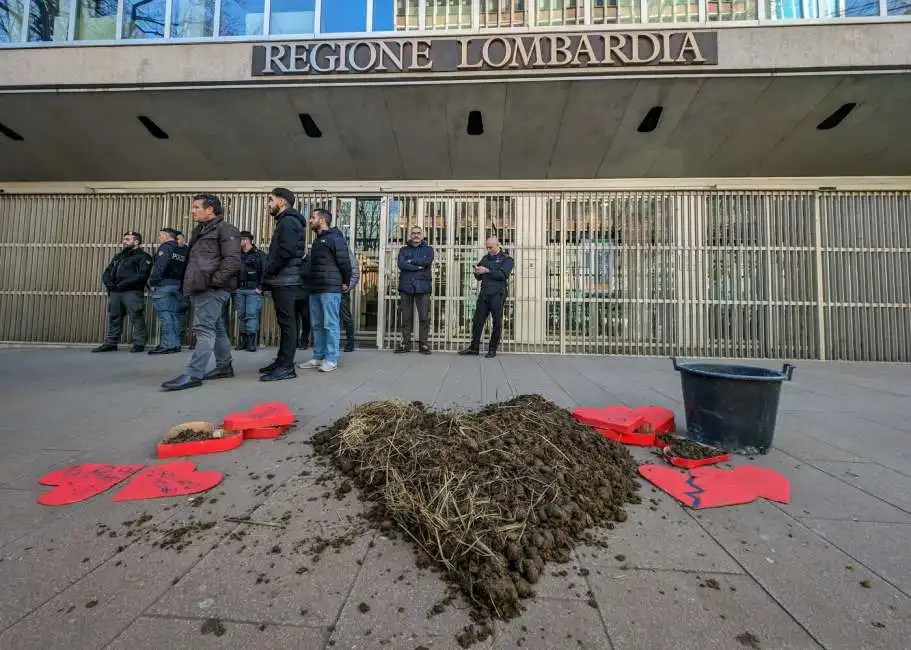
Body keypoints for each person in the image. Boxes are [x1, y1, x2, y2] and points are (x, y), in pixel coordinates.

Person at [161, 194, 241, 391]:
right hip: (201, 286)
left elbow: (232, 261)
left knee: (203, 329)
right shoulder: (201, 230)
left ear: (210, 209)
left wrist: (213, 282)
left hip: (211, 288)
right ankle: (224, 366)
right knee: (217, 327)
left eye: (197, 207)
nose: (192, 210)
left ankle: (194, 373)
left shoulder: (225, 229)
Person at [259, 188, 308, 382]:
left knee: (288, 324)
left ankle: (286, 366)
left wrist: (269, 271)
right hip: (285, 279)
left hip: (285, 280)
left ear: (282, 202)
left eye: (271, 200)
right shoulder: (288, 221)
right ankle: (281, 361)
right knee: (286, 323)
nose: (268, 204)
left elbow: (285, 252)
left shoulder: (288, 222)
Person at [299, 209, 351, 373]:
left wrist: (345, 281)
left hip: (330, 288)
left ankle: (331, 358)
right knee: (317, 324)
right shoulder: (317, 241)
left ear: (322, 219)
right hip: (315, 289)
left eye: (313, 217)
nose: (310, 221)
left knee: (330, 324)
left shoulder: (335, 238)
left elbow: (345, 262)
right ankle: (318, 356)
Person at [92, 231, 153, 353]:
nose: (124, 242)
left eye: (127, 239)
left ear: (136, 242)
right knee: (114, 317)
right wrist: (109, 283)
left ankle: (139, 343)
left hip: (132, 292)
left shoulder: (143, 257)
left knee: (136, 316)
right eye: (124, 239)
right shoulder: (119, 256)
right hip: (115, 292)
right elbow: (107, 272)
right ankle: (111, 343)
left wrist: (122, 284)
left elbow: (142, 275)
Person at [459, 235, 513, 359]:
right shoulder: (485, 258)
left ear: (497, 245)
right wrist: (476, 272)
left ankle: (492, 348)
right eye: (487, 247)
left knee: (496, 322)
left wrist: (487, 271)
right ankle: (474, 348)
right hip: (484, 293)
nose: (488, 250)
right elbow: (479, 277)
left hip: (497, 293)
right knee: (477, 321)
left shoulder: (507, 259)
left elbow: (502, 275)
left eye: (490, 247)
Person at [147, 227, 188, 355]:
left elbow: (160, 266)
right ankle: (175, 344)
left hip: (164, 285)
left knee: (166, 316)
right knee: (174, 316)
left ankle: (167, 345)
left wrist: (152, 281)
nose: (159, 238)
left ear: (166, 236)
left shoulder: (166, 247)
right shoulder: (181, 250)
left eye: (160, 236)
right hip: (177, 285)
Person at [395, 226, 434, 354]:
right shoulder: (403, 250)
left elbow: (426, 262)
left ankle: (423, 345)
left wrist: (411, 261)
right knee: (405, 318)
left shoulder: (429, 250)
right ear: (410, 235)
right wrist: (417, 267)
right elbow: (401, 264)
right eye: (413, 233)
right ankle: (406, 344)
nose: (416, 235)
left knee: (424, 318)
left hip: (423, 288)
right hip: (406, 287)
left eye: (418, 233)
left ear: (422, 235)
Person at [234, 231, 267, 352]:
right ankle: (243, 341)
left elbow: (265, 271)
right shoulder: (237, 255)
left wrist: (260, 287)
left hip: (253, 290)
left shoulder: (259, 255)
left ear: (246, 240)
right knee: (241, 315)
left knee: (251, 315)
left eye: (239, 240)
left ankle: (251, 342)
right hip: (240, 289)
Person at [340, 241, 360, 352]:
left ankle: (350, 342)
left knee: (346, 317)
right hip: (326, 290)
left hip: (341, 292)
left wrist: (347, 287)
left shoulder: (346, 251)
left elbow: (355, 273)